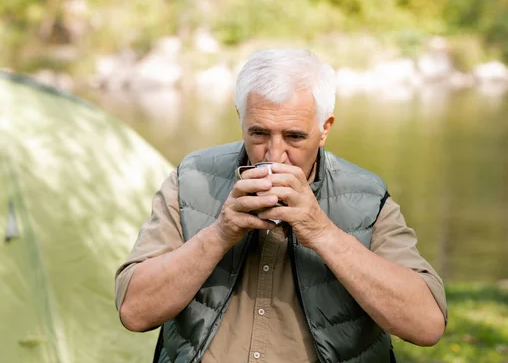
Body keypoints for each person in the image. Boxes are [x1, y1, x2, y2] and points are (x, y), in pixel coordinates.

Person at [115, 49, 447, 363]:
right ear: (240, 119)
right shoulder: (190, 179)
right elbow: (135, 311)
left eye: (295, 137)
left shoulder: (366, 195)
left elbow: (426, 326)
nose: (274, 155)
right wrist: (220, 234)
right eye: (258, 133)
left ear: (324, 129)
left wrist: (321, 231)